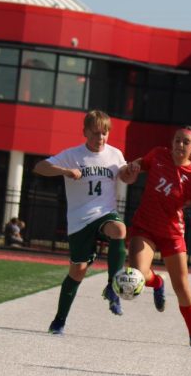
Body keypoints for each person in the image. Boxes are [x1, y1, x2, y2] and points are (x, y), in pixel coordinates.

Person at [33, 109, 129, 333]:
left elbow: (126, 175)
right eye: (95, 133)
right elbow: (39, 167)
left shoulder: (115, 154)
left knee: (119, 229)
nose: (100, 138)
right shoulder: (72, 154)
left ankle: (112, 286)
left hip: (104, 213)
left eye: (104, 133)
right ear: (84, 132)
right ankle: (59, 321)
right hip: (79, 220)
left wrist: (130, 170)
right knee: (78, 270)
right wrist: (65, 171)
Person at [120, 126, 191, 348]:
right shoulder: (158, 155)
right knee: (138, 275)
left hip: (172, 232)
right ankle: (157, 282)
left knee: (181, 286)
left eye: (185, 142)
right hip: (145, 226)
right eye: (177, 140)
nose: (180, 145)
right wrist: (131, 168)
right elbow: (132, 170)